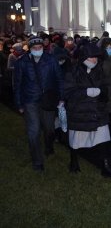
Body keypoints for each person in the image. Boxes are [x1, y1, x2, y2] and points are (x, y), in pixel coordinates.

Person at [65, 43, 111, 178]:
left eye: (96, 57)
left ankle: (105, 167)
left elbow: (106, 89)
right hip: (80, 113)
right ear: (83, 57)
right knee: (76, 139)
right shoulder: (73, 72)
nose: (94, 60)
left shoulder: (100, 70)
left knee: (103, 139)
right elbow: (68, 93)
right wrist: (86, 92)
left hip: (97, 112)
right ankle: (74, 161)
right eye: (91, 58)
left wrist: (101, 94)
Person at [13, 36, 65, 171]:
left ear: (43, 47)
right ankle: (37, 161)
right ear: (29, 49)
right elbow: (17, 84)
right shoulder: (22, 62)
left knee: (49, 128)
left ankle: (49, 146)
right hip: (30, 100)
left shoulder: (51, 60)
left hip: (48, 99)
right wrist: (19, 104)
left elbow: (59, 79)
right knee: (33, 131)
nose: (37, 50)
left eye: (40, 48)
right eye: (34, 48)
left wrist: (61, 97)